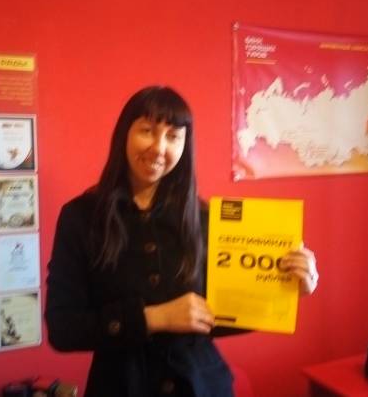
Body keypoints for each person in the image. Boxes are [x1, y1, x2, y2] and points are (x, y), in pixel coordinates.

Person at [45, 86, 319, 397]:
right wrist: (153, 318)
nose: (159, 148)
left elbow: (220, 317)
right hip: (121, 386)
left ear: (184, 145)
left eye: (173, 136)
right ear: (124, 134)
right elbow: (62, 328)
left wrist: (283, 290)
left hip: (201, 386)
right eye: (147, 131)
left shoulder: (205, 218)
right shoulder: (81, 217)